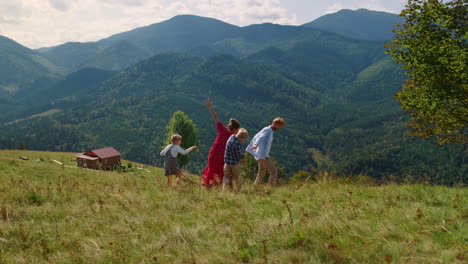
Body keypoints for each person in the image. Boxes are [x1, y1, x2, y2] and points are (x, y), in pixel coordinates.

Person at [202, 98, 240, 188]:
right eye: (237, 130)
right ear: (234, 129)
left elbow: (215, 118)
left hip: (214, 153)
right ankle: (219, 186)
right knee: (223, 171)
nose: (237, 131)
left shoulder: (222, 130)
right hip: (222, 156)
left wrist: (210, 107)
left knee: (212, 169)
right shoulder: (233, 136)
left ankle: (210, 186)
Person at [246, 117, 285, 186]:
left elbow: (258, 137)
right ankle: (270, 187)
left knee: (261, 171)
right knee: (274, 171)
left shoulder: (268, 130)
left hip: (260, 154)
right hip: (262, 155)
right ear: (274, 123)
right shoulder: (268, 130)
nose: (279, 128)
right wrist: (255, 145)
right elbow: (260, 138)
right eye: (279, 126)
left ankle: (255, 186)